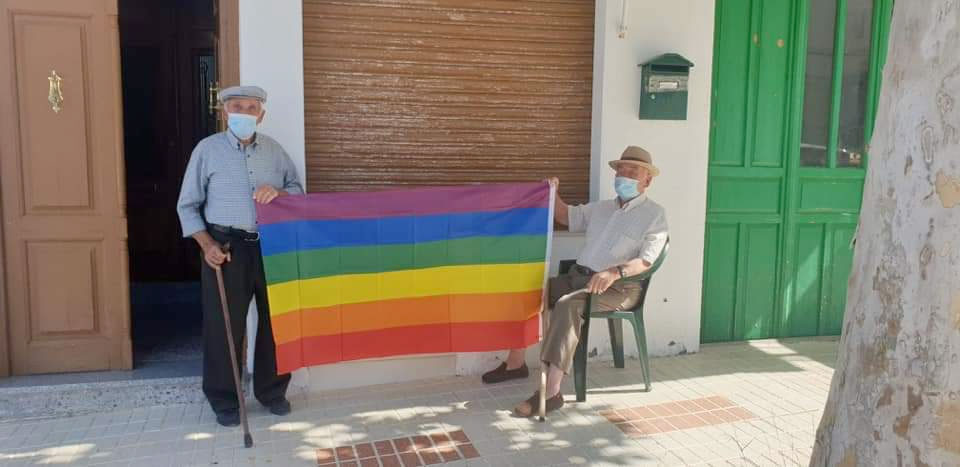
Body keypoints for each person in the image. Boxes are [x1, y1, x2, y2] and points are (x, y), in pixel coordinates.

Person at [481, 146, 669, 417]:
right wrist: (552, 192)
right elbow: (564, 216)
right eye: (620, 170)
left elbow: (646, 262)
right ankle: (516, 363)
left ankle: (552, 393)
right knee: (529, 292)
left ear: (647, 180)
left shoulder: (654, 215)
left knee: (568, 305)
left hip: (620, 288)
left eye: (632, 171)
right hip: (580, 277)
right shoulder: (602, 208)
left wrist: (614, 272)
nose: (624, 175)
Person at [176, 85, 303, 426]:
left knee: (276, 321)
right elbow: (187, 205)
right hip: (225, 247)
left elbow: (297, 190)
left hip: (271, 245)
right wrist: (207, 246)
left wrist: (278, 192)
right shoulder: (207, 150)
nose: (244, 113)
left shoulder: (275, 152)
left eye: (251, 107)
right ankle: (224, 400)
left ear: (261, 115)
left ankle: (272, 392)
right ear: (224, 112)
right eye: (236, 106)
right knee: (223, 324)